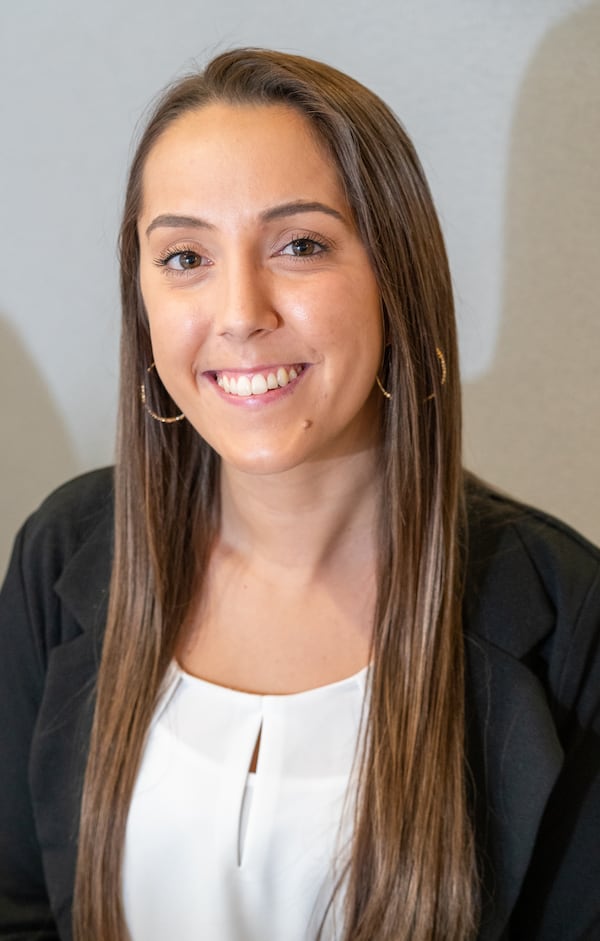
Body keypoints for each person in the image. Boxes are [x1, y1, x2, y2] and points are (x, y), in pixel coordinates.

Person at [1, 47, 599, 941]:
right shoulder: (67, 550)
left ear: (396, 276)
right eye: (185, 256)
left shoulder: (566, 613)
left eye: (301, 245)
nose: (241, 312)